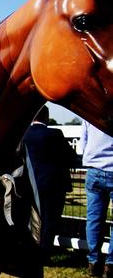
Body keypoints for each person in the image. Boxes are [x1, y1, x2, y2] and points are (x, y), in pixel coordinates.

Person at [22, 105, 75, 261]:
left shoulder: (24, 135)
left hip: (30, 185)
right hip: (53, 185)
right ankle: (44, 253)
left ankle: (29, 250)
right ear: (46, 117)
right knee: (49, 220)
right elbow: (70, 156)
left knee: (29, 219)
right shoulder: (55, 134)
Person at [81, 120, 113, 277]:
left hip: (94, 169)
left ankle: (94, 261)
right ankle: (111, 263)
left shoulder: (89, 113)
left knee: (93, 219)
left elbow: (82, 145)